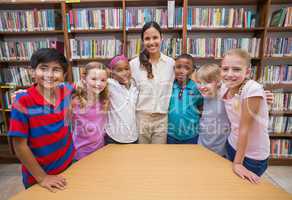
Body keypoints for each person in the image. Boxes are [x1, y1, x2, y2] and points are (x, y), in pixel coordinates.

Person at [8, 48, 75, 192]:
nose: (49, 75)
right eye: (43, 68)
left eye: (56, 70)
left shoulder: (67, 90)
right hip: (39, 176)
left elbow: (89, 85)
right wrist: (42, 177)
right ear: (32, 72)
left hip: (69, 164)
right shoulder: (22, 101)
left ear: (63, 75)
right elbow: (20, 146)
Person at [221, 48, 270, 184]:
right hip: (232, 145)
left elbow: (245, 129)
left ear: (247, 72)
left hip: (252, 156)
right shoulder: (225, 86)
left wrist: (237, 163)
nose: (229, 74)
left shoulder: (252, 89)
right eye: (225, 69)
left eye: (236, 69)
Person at [129, 21, 175, 144]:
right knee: (141, 157)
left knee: (158, 157)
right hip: (141, 118)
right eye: (147, 38)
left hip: (162, 119)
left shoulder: (171, 64)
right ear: (143, 41)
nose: (151, 42)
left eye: (155, 37)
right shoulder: (133, 64)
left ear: (161, 38)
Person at [71, 62, 109, 161]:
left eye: (103, 80)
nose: (98, 83)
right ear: (84, 79)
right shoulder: (75, 101)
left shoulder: (104, 101)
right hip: (79, 152)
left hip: (99, 150)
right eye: (94, 79)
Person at [167, 54, 203, 144]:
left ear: (192, 70)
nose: (181, 71)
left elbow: (201, 106)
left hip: (191, 135)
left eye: (186, 68)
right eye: (178, 67)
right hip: (171, 134)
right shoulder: (169, 86)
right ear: (174, 69)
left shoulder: (197, 88)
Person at [196, 63, 230, 156]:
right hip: (203, 142)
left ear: (219, 82)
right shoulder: (206, 95)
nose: (202, 86)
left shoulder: (225, 95)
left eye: (207, 82)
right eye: (199, 82)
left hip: (219, 148)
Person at [105, 55, 139, 144]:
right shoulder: (110, 85)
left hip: (133, 137)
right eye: (119, 70)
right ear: (112, 72)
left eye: (127, 69)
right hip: (113, 137)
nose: (124, 73)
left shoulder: (134, 87)